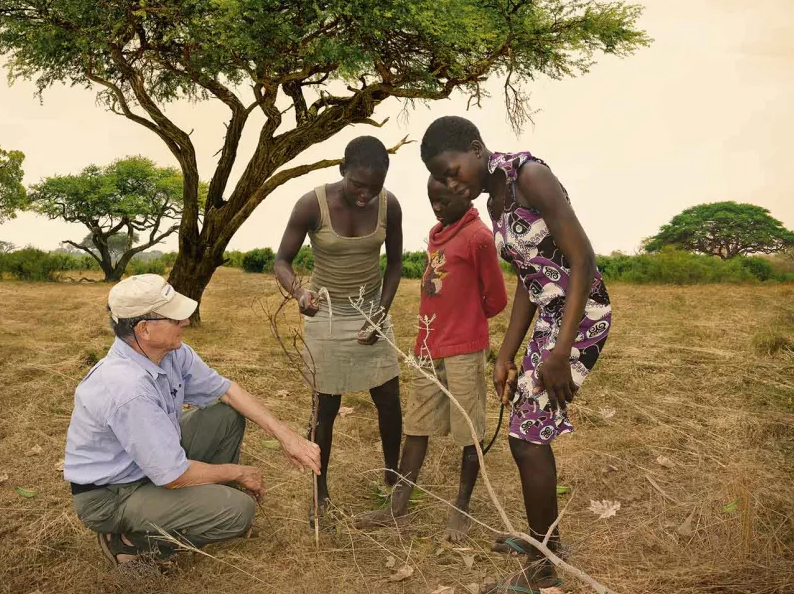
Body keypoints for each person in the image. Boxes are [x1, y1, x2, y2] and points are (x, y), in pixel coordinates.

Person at [421, 116, 612, 594]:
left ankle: (544, 563)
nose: (449, 182)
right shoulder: (494, 201)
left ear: (476, 149)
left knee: (526, 438)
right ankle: (542, 541)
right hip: (551, 314)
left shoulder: (530, 176)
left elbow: (583, 258)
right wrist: (506, 354)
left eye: (450, 171)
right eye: (441, 178)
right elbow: (532, 280)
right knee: (525, 434)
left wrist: (560, 350)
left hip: (580, 313)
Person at [63, 274, 321, 566]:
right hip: (111, 496)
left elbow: (227, 391)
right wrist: (237, 473)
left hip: (143, 466)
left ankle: (201, 506)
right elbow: (173, 476)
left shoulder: (171, 353)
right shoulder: (128, 390)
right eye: (174, 318)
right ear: (144, 329)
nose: (185, 322)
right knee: (239, 512)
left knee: (226, 415)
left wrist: (288, 437)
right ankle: (132, 541)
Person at [356, 176, 507, 542]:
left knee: (468, 431)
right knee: (417, 425)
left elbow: (497, 299)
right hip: (427, 345)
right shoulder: (437, 234)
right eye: (431, 200)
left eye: (443, 200)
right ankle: (397, 505)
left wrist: (465, 322)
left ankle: (461, 508)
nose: (436, 207)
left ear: (466, 193)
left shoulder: (479, 238)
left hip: (464, 350)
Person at [274, 135, 403, 524]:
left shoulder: (389, 204)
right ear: (342, 169)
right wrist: (299, 292)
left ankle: (392, 477)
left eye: (374, 187)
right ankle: (320, 491)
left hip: (371, 312)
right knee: (324, 408)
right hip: (325, 314)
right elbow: (281, 261)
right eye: (357, 185)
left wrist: (380, 312)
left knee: (389, 400)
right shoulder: (311, 204)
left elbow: (394, 265)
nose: (365, 195)